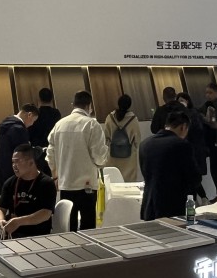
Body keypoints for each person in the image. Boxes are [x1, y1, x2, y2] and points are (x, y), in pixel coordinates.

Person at [46, 90, 109, 231]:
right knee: (88, 226)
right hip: (87, 185)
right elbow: (99, 157)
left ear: (73, 104)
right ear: (89, 106)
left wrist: (55, 176)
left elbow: (50, 154)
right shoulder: (92, 125)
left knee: (69, 225)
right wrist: (102, 160)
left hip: (66, 183)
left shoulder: (59, 124)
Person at [139, 111, 202, 220]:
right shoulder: (182, 145)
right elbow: (194, 177)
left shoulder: (145, 144)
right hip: (175, 207)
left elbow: (146, 173)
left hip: (150, 205)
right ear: (183, 127)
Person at [0, 144, 57, 239]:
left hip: (36, 232)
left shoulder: (46, 183)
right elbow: (0, 208)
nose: (14, 166)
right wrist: (0, 221)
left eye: (17, 162)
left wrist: (19, 222)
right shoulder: (10, 182)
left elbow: (46, 213)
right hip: (11, 229)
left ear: (31, 163)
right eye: (13, 162)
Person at [0, 104, 39, 195]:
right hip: (17, 172)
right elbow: (24, 153)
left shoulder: (5, 126)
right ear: (29, 115)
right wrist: (38, 150)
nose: (32, 124)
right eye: (33, 121)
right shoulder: (19, 129)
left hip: (4, 171)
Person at [177, 93, 209, 204]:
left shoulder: (193, 114)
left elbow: (197, 131)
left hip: (195, 151)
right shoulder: (179, 116)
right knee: (190, 178)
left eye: (182, 100)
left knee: (194, 177)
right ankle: (200, 200)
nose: (181, 103)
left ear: (188, 101)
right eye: (179, 101)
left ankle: (200, 200)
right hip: (187, 151)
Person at [103, 94, 141, 182]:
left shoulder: (110, 118)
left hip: (112, 155)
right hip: (129, 157)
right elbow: (137, 140)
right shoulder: (133, 119)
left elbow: (105, 137)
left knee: (114, 180)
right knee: (128, 183)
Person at [28, 88, 61, 176]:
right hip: (52, 150)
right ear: (52, 99)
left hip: (37, 151)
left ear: (39, 99)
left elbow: (29, 132)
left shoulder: (35, 114)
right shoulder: (56, 113)